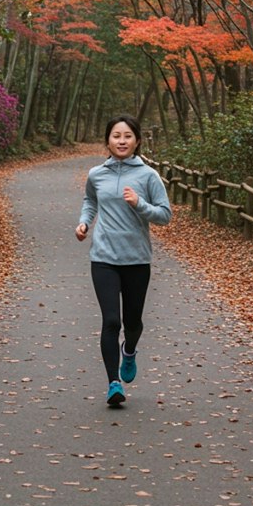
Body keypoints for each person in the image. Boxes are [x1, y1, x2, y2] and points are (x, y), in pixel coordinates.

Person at [76, 115, 172, 407]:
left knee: (132, 322)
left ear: (137, 141)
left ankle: (129, 350)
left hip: (136, 260)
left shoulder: (148, 176)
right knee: (111, 321)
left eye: (127, 136)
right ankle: (113, 384)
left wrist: (139, 204)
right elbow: (90, 200)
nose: (121, 141)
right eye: (116, 135)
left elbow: (165, 215)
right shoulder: (96, 174)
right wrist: (84, 223)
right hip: (103, 257)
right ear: (107, 141)